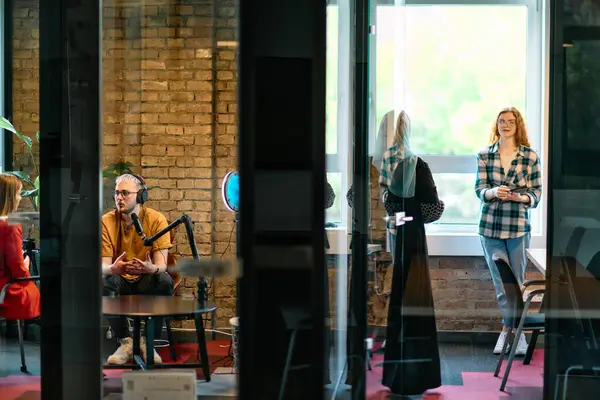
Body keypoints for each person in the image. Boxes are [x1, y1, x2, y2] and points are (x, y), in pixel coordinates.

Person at [379, 111, 443, 397]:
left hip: (399, 231)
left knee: (399, 300)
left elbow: (390, 204)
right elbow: (431, 208)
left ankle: (397, 377)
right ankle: (419, 376)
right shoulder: (418, 164)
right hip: (415, 234)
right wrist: (438, 203)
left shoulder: (389, 161)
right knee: (417, 301)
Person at [475, 106, 542, 355]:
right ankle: (509, 331)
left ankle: (517, 332)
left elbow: (536, 194)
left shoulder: (530, 157)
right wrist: (493, 192)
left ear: (517, 125)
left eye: (510, 121)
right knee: (502, 286)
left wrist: (520, 198)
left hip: (518, 228)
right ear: (497, 125)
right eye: (501, 121)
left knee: (518, 282)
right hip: (490, 229)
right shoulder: (484, 155)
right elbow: (480, 189)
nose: (505, 125)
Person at [102, 174, 174, 365]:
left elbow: (162, 265)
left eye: (125, 193)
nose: (119, 198)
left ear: (141, 196)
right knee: (103, 282)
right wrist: (113, 268)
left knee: (165, 281)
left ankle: (147, 342)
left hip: (146, 279)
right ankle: (125, 341)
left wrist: (151, 268)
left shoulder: (157, 219)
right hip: (120, 278)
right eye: (117, 193)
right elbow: (104, 265)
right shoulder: (106, 221)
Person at [0, 174, 40, 322]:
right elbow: (18, 270)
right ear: (9, 197)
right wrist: (25, 264)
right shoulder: (11, 225)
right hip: (7, 290)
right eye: (18, 194)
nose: (20, 198)